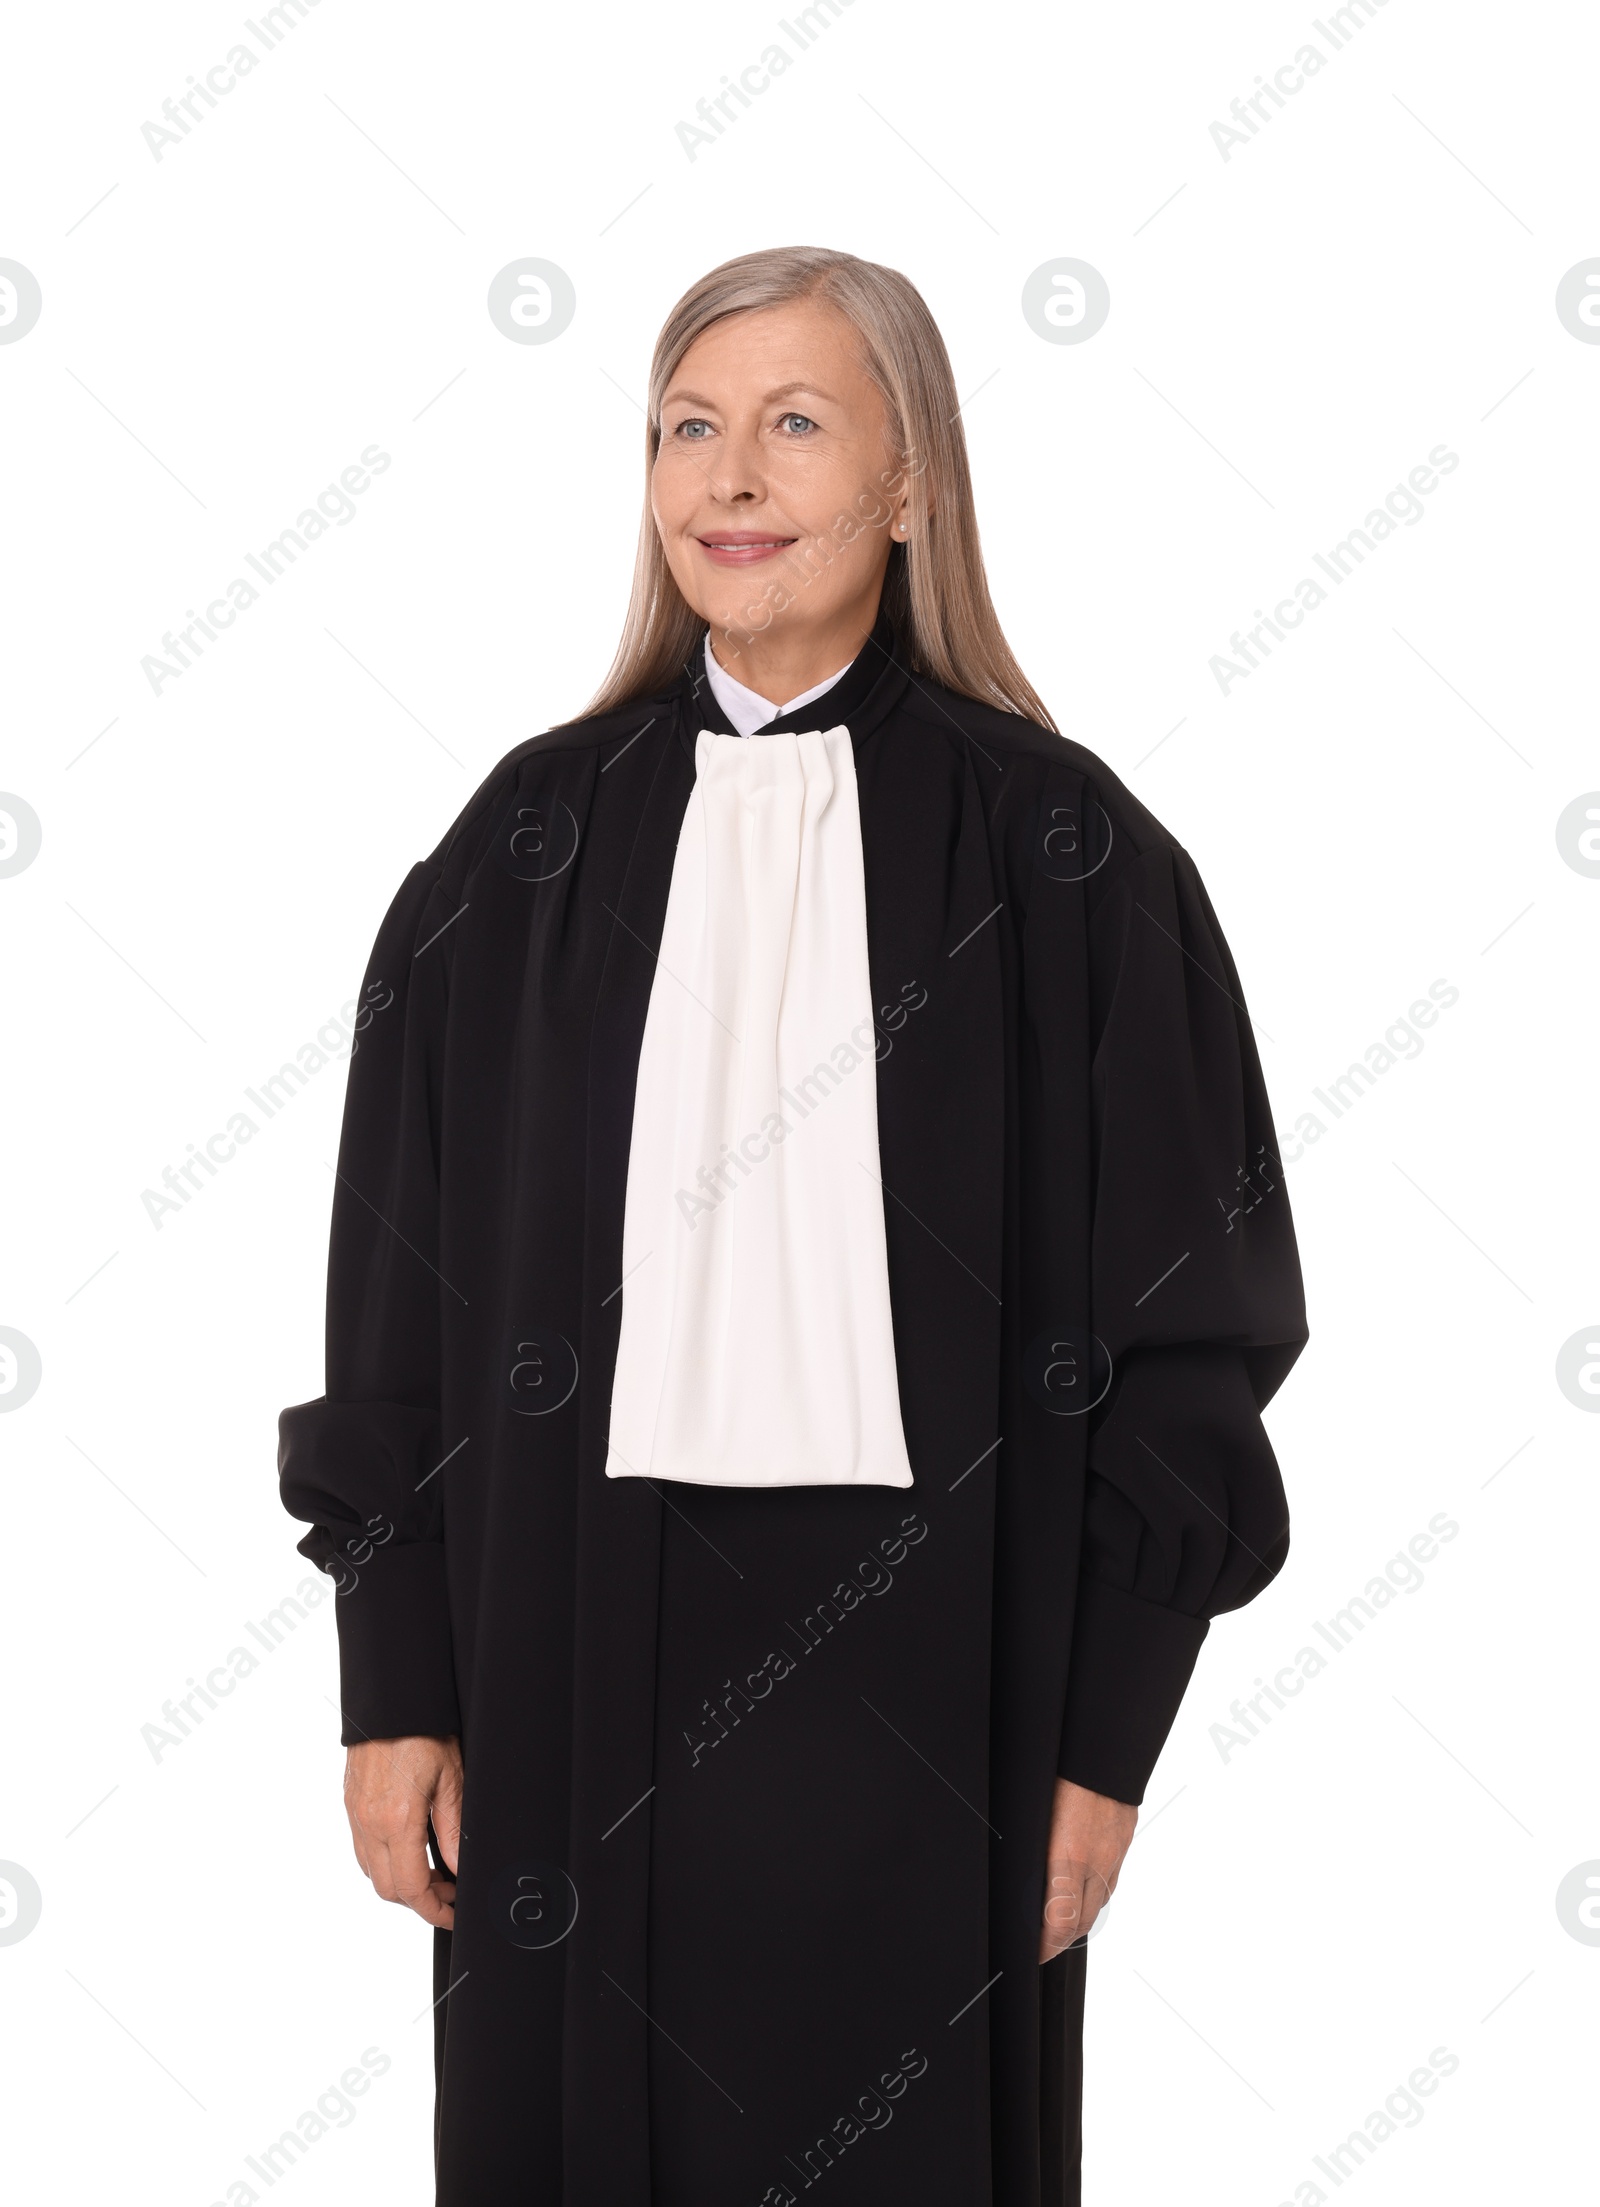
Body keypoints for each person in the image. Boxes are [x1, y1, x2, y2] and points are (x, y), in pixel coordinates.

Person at [279, 244, 1307, 2206]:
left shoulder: (1068, 857)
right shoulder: (518, 850)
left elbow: (1186, 1342)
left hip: (940, 1686)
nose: (727, 478)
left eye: (794, 423)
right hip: (557, 1659)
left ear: (910, 481)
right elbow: (392, 1303)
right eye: (687, 427)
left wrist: (1099, 1743)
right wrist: (394, 1684)